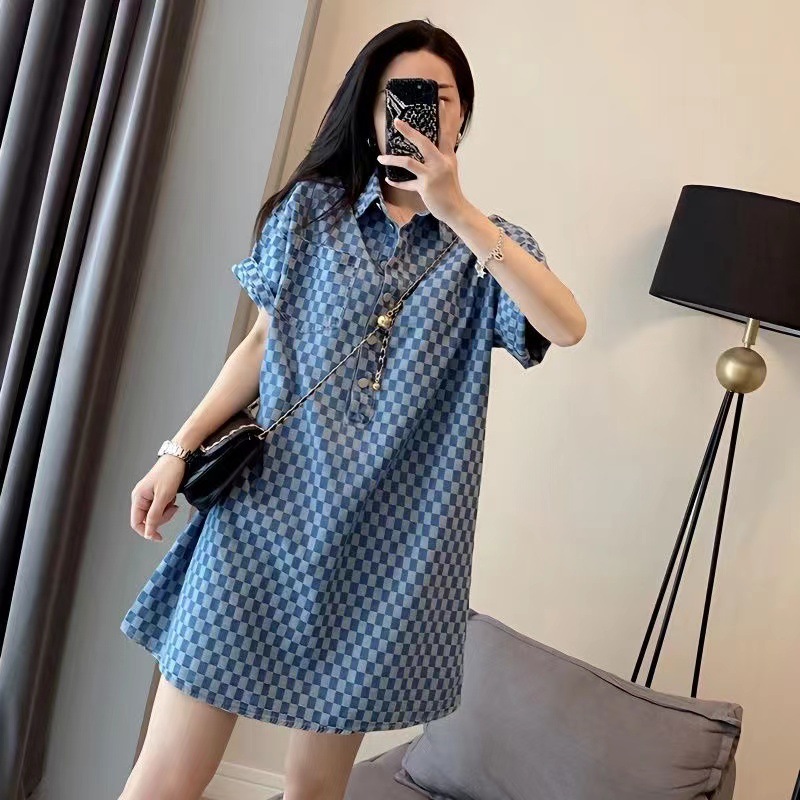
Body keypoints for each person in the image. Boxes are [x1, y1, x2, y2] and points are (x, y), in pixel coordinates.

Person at [119, 17, 585, 800]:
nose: (417, 111)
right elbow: (261, 345)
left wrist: (458, 212)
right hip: (263, 520)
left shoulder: (489, 249)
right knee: (166, 773)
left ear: (462, 115)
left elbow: (565, 326)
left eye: (437, 96)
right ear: (371, 114)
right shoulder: (310, 213)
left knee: (313, 789)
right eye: (398, 96)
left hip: (387, 549)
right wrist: (178, 449)